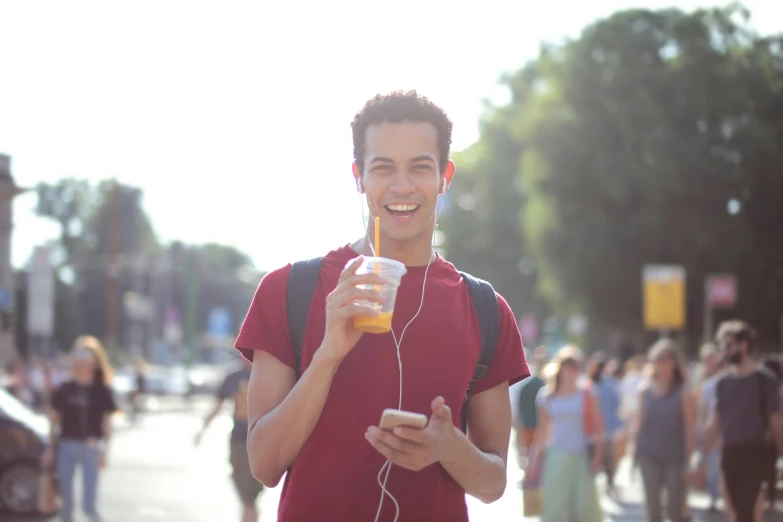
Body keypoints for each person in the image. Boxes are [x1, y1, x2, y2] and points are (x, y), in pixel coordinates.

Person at [235, 91, 529, 522]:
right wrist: (327, 355)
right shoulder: (288, 289)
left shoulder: (485, 308)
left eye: (420, 167)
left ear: (445, 176)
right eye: (384, 167)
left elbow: (492, 484)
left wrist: (448, 446)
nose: (403, 185)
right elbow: (264, 466)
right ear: (359, 176)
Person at [704, 320, 783, 522]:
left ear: (744, 345)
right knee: (732, 504)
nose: (724, 351)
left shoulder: (765, 380)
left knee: (745, 510)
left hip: (755, 452)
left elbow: (775, 420)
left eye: (728, 345)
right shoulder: (723, 382)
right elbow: (716, 419)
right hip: (729, 452)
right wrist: (701, 455)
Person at [42, 335, 117, 522]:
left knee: (89, 506)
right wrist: (50, 448)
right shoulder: (65, 388)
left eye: (87, 354)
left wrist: (105, 450)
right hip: (67, 446)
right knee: (66, 504)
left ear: (95, 360)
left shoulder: (102, 390)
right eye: (78, 353)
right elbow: (54, 421)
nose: (82, 359)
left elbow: (106, 423)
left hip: (91, 447)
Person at [528, 346, 604, 522]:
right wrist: (533, 460)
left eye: (576, 367)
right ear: (560, 368)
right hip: (557, 456)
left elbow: (598, 428)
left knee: (584, 508)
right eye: (569, 366)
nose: (573, 371)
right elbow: (542, 431)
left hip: (581, 456)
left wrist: (598, 457)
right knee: (556, 507)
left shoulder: (588, 393)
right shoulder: (547, 396)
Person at [631, 339, 695, 522]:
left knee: (675, 509)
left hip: (675, 457)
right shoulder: (644, 391)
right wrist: (634, 453)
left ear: (675, 362)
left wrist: (690, 461)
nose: (662, 364)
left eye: (667, 359)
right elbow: (639, 423)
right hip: (648, 454)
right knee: (653, 509)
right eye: (658, 359)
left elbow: (689, 429)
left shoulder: (683, 392)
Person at [195, 357, 263, 522]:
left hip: (261, 439)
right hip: (238, 439)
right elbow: (218, 405)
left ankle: (249, 513)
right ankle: (249, 513)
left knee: (250, 495)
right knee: (240, 484)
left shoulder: (265, 374)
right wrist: (203, 429)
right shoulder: (233, 377)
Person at [588, 356, 623, 497]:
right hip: (593, 430)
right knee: (599, 458)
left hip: (606, 428)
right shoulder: (589, 384)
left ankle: (609, 482)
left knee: (608, 458)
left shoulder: (607, 385)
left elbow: (616, 404)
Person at [514, 345, 548, 470]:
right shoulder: (547, 386)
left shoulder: (526, 385)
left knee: (530, 459)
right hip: (534, 427)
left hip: (529, 426)